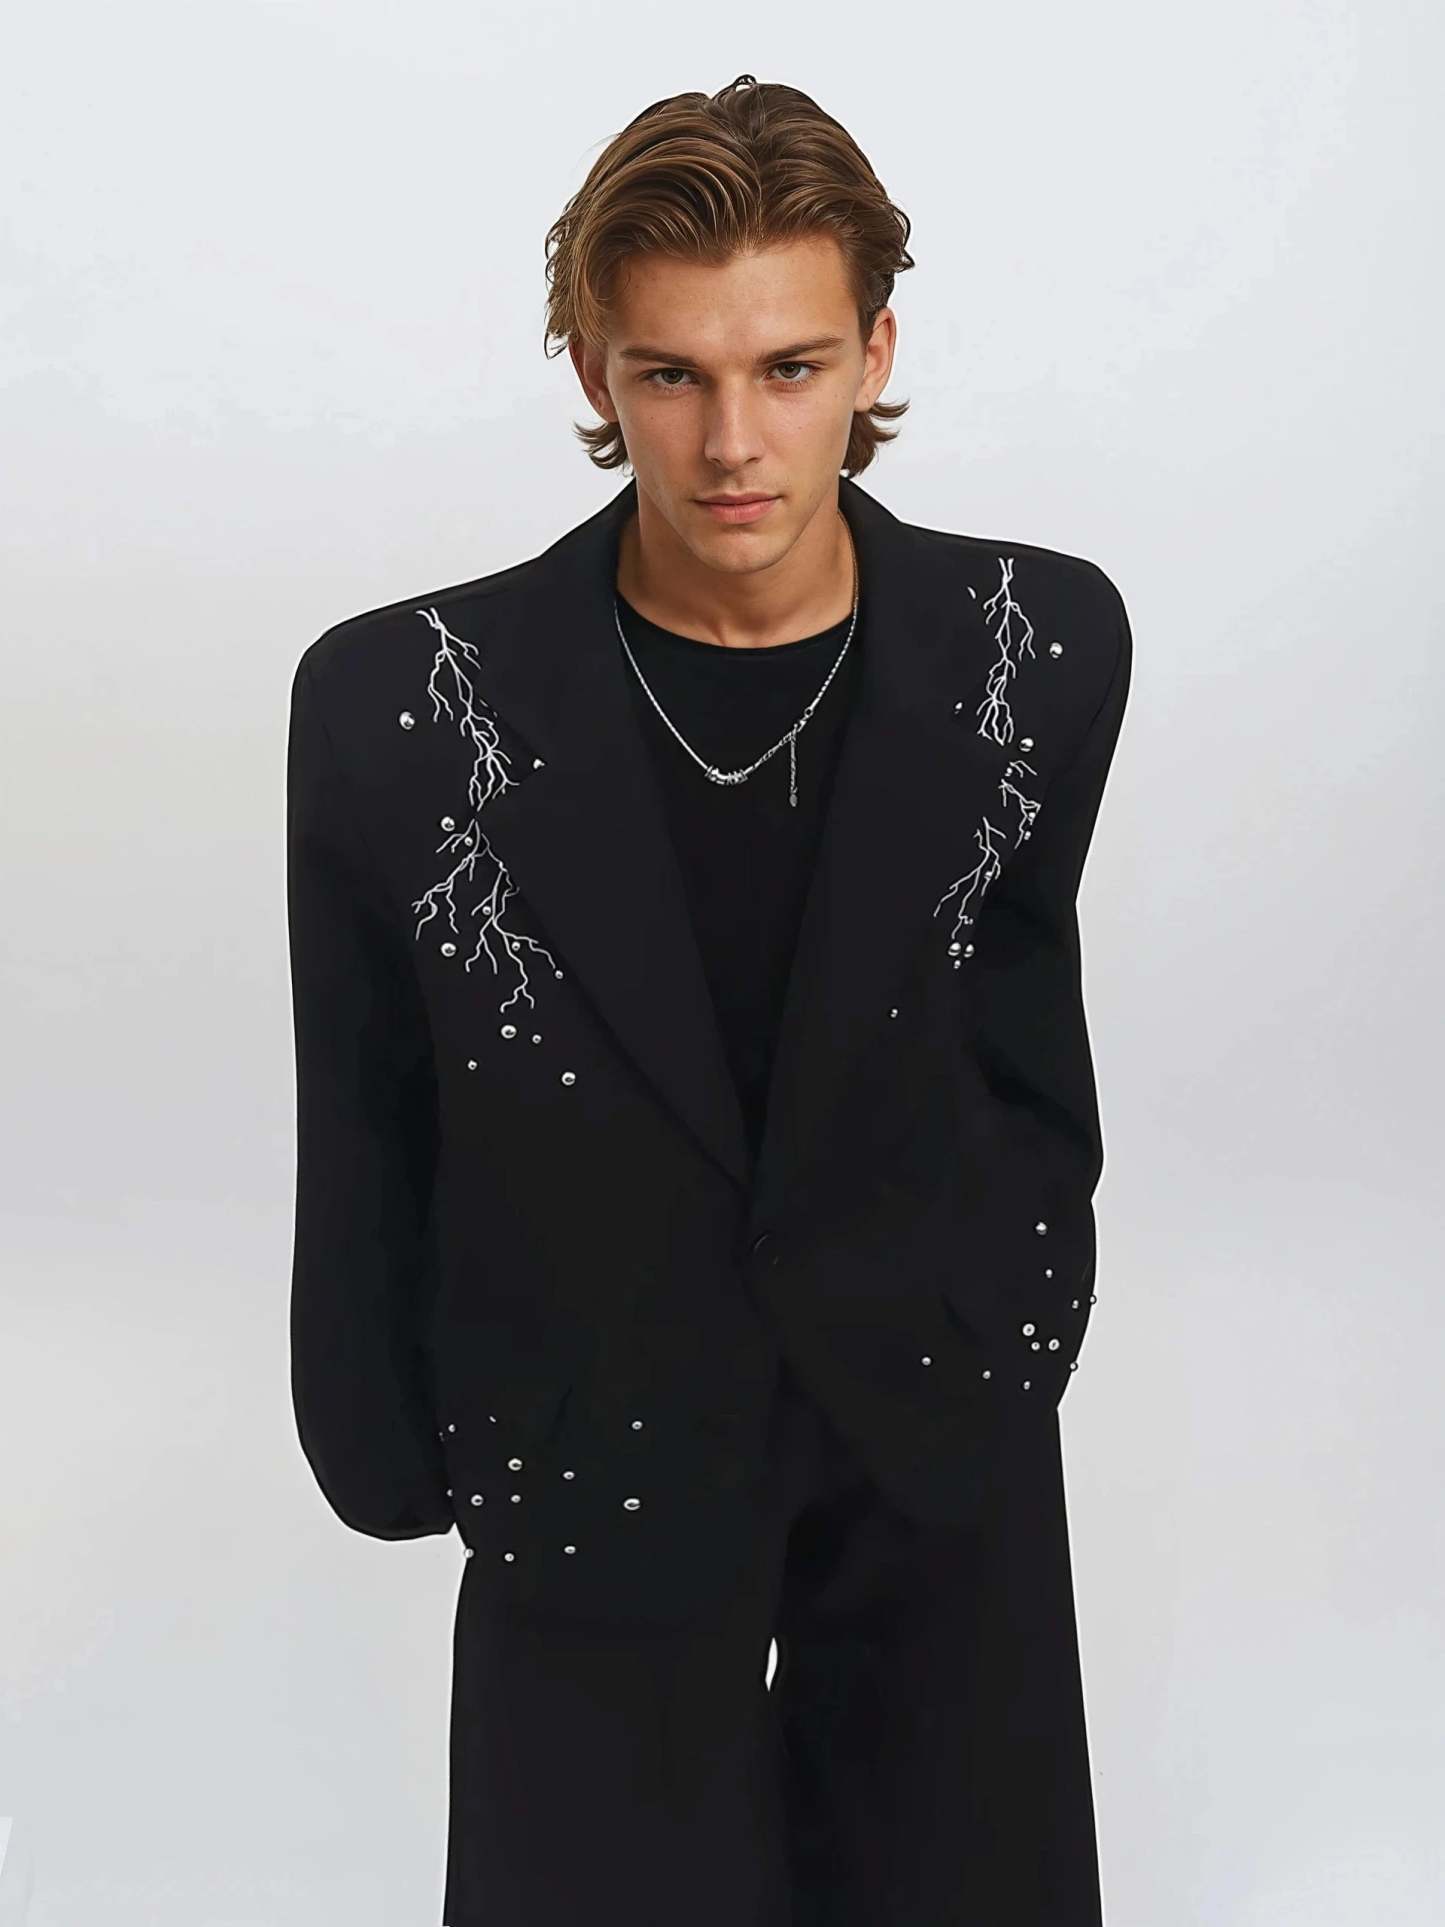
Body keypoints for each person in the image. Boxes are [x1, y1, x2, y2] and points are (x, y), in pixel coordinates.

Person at [285, 73, 1132, 1927]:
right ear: (594, 371)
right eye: (670, 373)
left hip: (930, 1419)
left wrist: (1020, 1320)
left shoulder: (1038, 644)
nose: (732, 440)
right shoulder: (400, 703)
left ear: (873, 352)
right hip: (583, 1433)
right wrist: (381, 1441)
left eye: (789, 367)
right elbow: (363, 1104)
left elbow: (1022, 1024)